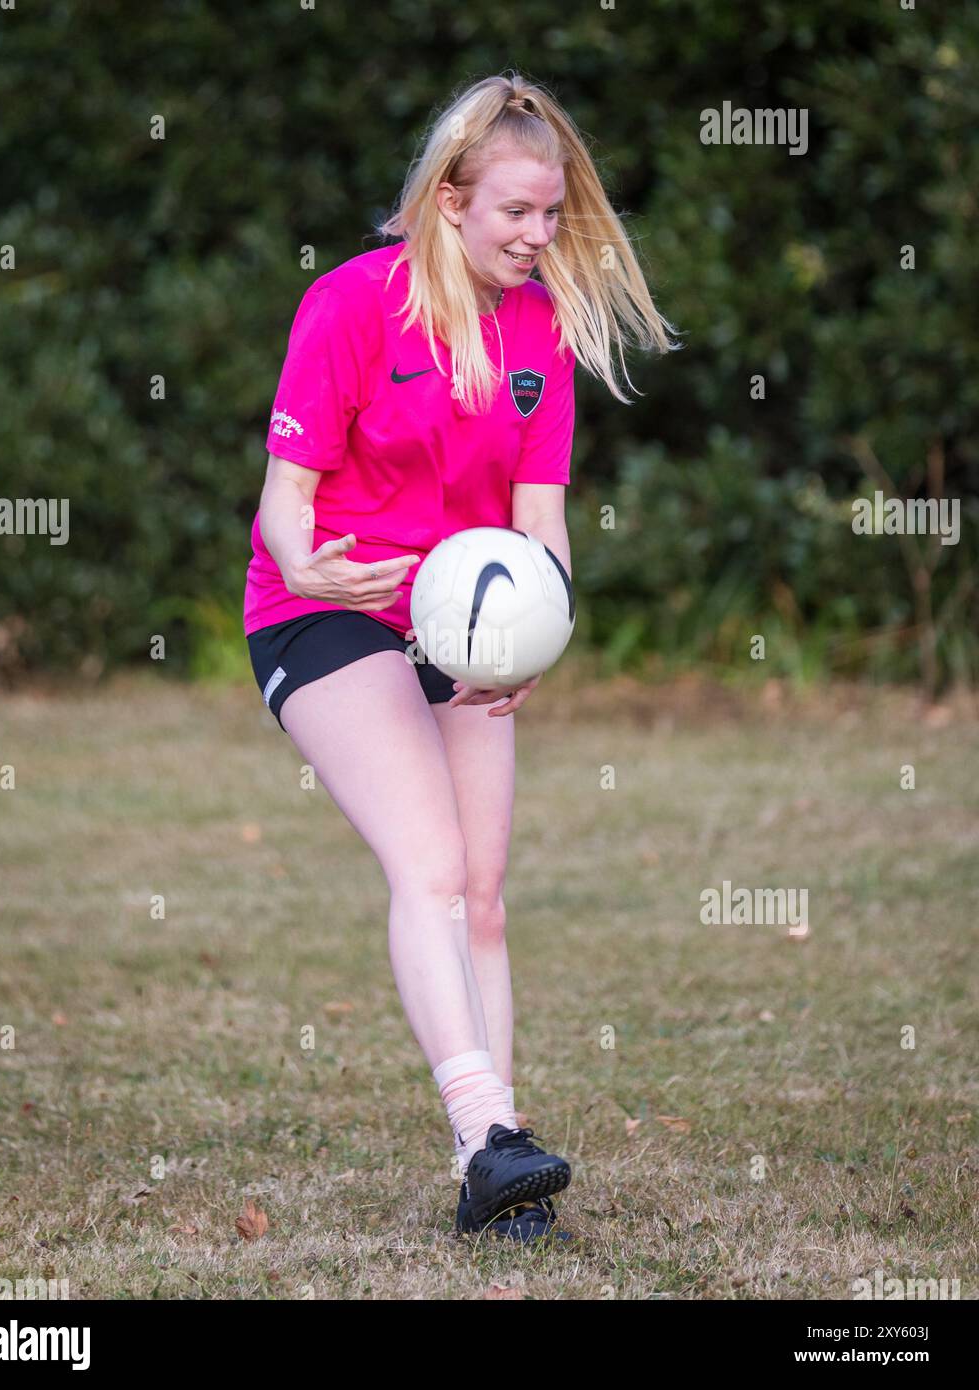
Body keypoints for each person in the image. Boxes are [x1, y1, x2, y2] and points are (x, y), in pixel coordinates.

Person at [244, 72, 679, 1245]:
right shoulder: (346, 304)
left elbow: (540, 518)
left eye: (553, 218)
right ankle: (489, 1130)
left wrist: (549, 619)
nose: (539, 238)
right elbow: (284, 508)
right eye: (516, 216)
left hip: (465, 616)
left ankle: (492, 1173)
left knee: (481, 894)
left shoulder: (537, 325)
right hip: (325, 605)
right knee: (428, 866)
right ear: (447, 199)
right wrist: (319, 568)